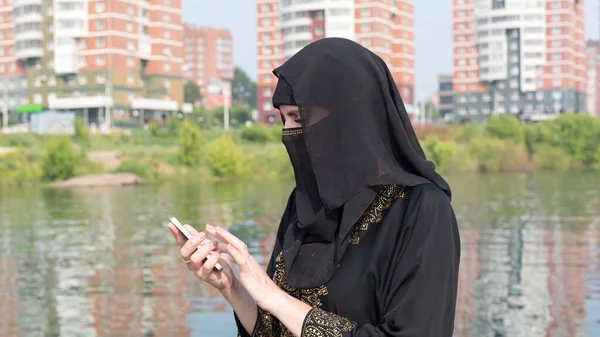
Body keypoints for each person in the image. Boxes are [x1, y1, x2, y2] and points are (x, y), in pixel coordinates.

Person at [168, 37, 460, 337]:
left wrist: (274, 297)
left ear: (347, 115)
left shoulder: (422, 210)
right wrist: (233, 288)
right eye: (283, 119)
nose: (288, 132)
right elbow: (274, 331)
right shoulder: (305, 204)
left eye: (298, 117)